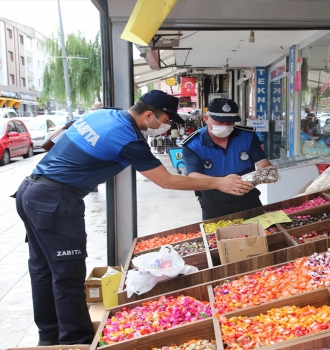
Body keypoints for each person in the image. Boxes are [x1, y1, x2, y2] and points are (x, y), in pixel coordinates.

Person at [14, 90, 254, 346]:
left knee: (42, 270)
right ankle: (77, 340)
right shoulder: (127, 138)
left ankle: (48, 338)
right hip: (56, 200)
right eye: (166, 120)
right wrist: (219, 183)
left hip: (31, 190)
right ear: (149, 114)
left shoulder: (104, 114)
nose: (166, 127)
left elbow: (54, 140)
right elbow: (166, 180)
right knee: (67, 276)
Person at [182, 98, 272, 220]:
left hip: (248, 201)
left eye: (229, 123)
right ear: (207, 118)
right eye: (220, 122)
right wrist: (221, 183)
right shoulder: (193, 144)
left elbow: (263, 164)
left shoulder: (247, 136)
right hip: (214, 205)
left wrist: (267, 173)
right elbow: (193, 177)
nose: (225, 126)